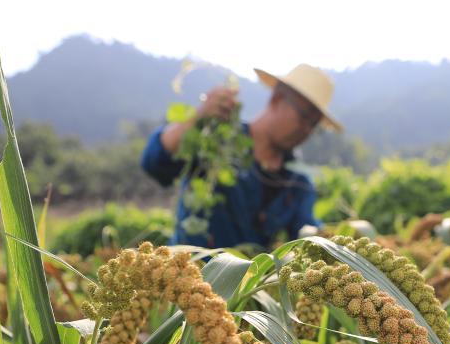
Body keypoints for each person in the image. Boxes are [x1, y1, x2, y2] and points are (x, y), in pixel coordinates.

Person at [140, 63, 342, 250]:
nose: (306, 130)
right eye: (304, 116)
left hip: (246, 278)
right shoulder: (217, 140)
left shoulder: (297, 185)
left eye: (314, 125)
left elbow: (307, 236)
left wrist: (334, 243)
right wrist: (199, 116)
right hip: (188, 270)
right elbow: (154, 162)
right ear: (277, 99)